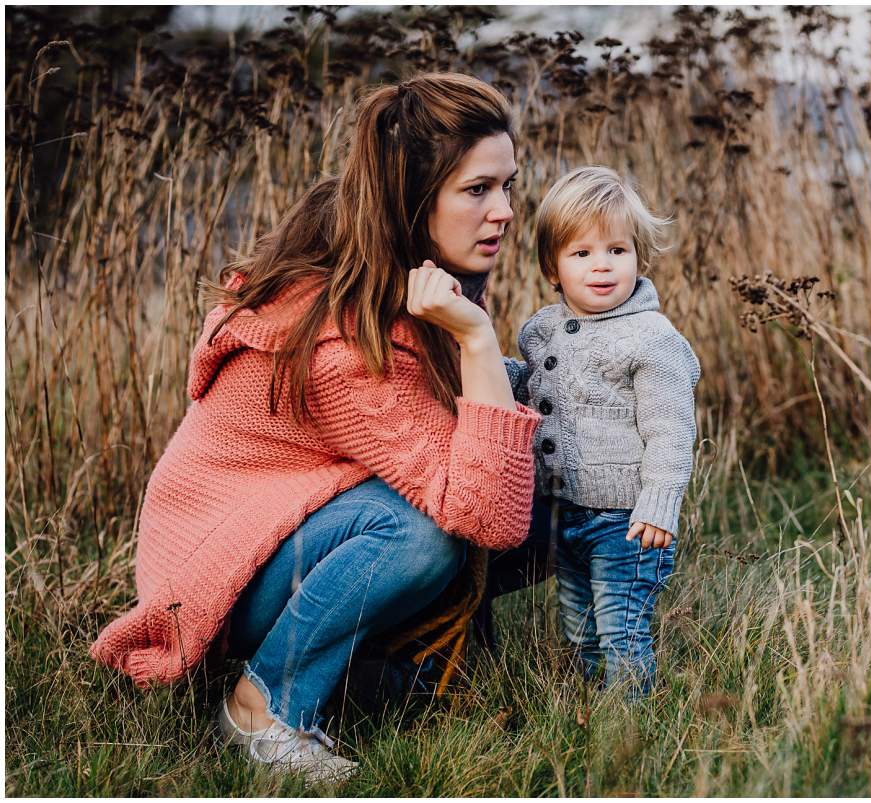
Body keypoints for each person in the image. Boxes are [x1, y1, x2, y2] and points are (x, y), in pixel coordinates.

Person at [90, 73, 550, 784]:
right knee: (423, 533)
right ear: (413, 200)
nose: (506, 212)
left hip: (290, 527)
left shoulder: (378, 270)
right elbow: (485, 513)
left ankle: (403, 674)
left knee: (534, 479)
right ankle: (264, 708)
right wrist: (479, 342)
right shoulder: (345, 348)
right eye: (478, 190)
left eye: (509, 186)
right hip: (216, 579)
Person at [515, 166, 701, 699]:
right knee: (579, 630)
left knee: (620, 630)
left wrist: (659, 503)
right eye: (581, 253)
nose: (602, 265)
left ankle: (629, 729)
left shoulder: (651, 339)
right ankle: (587, 716)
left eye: (617, 251)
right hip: (566, 512)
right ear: (553, 267)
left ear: (639, 257)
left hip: (627, 521)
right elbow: (535, 390)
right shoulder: (542, 330)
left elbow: (670, 431)